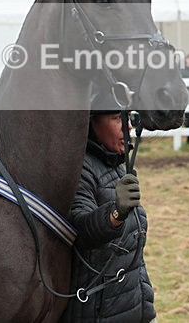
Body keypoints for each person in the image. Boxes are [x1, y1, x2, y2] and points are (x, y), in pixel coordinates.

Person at [61, 104, 155, 323]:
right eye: (117, 118)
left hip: (135, 306)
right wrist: (116, 213)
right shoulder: (79, 168)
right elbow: (79, 231)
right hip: (99, 313)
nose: (129, 125)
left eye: (128, 117)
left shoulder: (113, 163)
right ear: (91, 123)